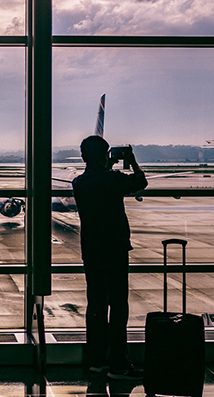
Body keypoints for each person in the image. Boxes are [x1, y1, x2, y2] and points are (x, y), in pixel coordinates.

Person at [72, 135, 147, 380]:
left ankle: (96, 361)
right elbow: (140, 182)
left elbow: (98, 177)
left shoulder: (79, 183)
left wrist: (106, 164)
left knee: (96, 305)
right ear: (106, 155)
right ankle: (119, 364)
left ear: (83, 157)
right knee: (117, 306)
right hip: (114, 249)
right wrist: (132, 161)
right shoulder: (113, 179)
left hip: (91, 250)